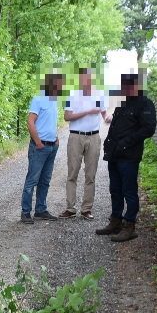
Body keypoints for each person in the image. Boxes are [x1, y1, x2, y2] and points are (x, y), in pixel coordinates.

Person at [96, 72, 156, 242]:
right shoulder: (122, 103)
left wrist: (126, 143)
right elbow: (114, 126)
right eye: (123, 86)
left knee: (129, 191)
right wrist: (109, 144)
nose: (125, 89)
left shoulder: (145, 104)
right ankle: (115, 221)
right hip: (114, 155)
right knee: (115, 190)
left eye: (128, 85)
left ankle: (129, 225)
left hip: (129, 156)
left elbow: (148, 129)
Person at [59, 67, 108, 221]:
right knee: (72, 173)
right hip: (76, 137)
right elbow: (67, 116)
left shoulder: (101, 94)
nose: (86, 81)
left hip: (94, 137)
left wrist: (109, 118)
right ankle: (70, 208)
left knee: (90, 175)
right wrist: (87, 111)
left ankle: (86, 209)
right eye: (83, 78)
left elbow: (104, 113)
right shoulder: (71, 94)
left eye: (89, 78)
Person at [21, 72, 64, 224]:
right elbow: (30, 122)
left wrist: (56, 137)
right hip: (39, 147)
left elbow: (50, 122)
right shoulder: (38, 99)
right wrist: (38, 142)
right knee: (32, 180)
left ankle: (40, 210)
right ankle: (26, 212)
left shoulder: (54, 100)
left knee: (45, 180)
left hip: (52, 147)